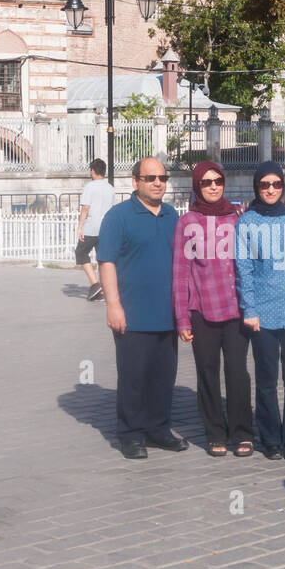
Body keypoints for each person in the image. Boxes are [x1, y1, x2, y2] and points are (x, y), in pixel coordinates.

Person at [97, 157, 185, 460]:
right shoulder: (118, 217)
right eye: (150, 178)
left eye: (162, 177)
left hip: (168, 313)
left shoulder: (173, 215)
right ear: (135, 182)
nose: (158, 182)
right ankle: (131, 434)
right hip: (132, 315)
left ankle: (159, 430)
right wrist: (113, 305)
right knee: (134, 378)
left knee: (164, 377)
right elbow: (106, 262)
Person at [235, 161, 285, 462]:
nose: (271, 189)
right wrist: (250, 309)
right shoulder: (246, 222)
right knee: (266, 379)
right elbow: (243, 269)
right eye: (264, 185)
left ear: (283, 186)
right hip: (263, 314)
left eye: (276, 184)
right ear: (257, 187)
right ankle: (270, 437)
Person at [172, 161, 254, 458]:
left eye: (217, 180)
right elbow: (180, 273)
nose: (213, 186)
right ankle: (215, 432)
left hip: (236, 310)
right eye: (206, 182)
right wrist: (182, 318)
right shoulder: (187, 222)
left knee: (238, 373)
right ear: (197, 186)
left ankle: (243, 431)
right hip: (202, 311)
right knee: (207, 373)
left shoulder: (238, 217)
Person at [75, 158, 116, 302]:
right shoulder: (110, 188)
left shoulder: (89, 187)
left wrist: (80, 227)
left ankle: (94, 283)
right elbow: (112, 209)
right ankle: (104, 289)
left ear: (92, 171)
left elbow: (85, 208)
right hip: (105, 228)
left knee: (80, 253)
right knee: (102, 258)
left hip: (91, 227)